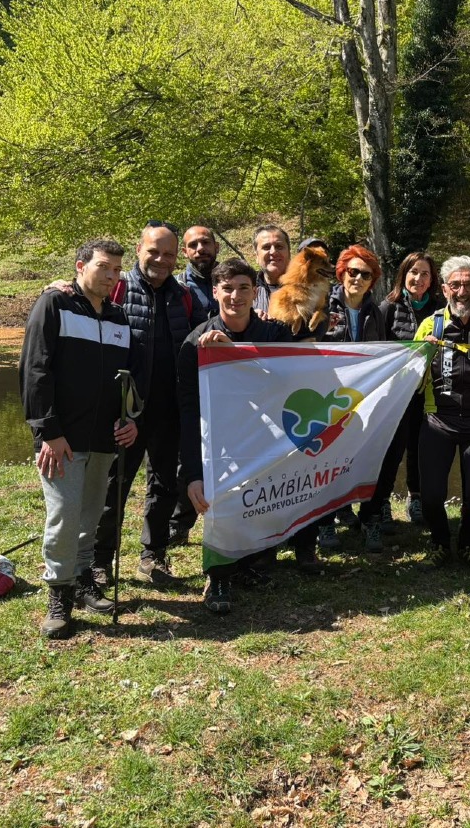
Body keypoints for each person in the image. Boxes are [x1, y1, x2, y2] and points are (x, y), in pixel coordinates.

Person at [20, 239, 139, 639]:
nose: (110, 276)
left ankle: (84, 580)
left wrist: (131, 420)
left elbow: (130, 383)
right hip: (63, 441)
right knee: (65, 515)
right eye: (104, 267)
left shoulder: (121, 318)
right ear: (81, 266)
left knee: (90, 514)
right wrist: (48, 432)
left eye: (117, 270)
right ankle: (59, 593)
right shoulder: (54, 305)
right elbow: (35, 370)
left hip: (105, 439)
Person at [176, 259, 297, 613]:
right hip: (219, 442)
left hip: (265, 440)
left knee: (262, 502)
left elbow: (285, 382)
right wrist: (193, 473)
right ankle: (219, 578)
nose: (235, 296)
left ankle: (248, 566)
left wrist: (235, 355)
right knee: (223, 511)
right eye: (227, 288)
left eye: (244, 287)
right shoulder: (195, 343)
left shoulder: (275, 335)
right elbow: (187, 409)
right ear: (215, 293)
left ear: (255, 292)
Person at [91, 222, 206, 588]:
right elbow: (79, 302)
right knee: (114, 486)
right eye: (153, 251)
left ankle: (153, 555)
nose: (161, 259)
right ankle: (99, 559)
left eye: (169, 254)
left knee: (164, 485)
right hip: (124, 411)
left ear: (177, 258)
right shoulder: (117, 286)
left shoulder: (184, 296)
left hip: (169, 409)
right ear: (139, 249)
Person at [412, 256, 470, 569]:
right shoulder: (429, 325)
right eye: (456, 285)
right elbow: (411, 377)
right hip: (438, 419)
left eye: (469, 284)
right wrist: (425, 353)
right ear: (445, 288)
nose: (463, 291)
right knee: (431, 495)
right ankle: (439, 543)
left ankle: (468, 544)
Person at [364, 251, 444, 534]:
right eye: (413, 272)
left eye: (425, 273)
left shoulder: (440, 309)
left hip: (431, 392)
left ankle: (417, 498)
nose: (418, 279)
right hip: (397, 393)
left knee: (421, 449)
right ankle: (382, 500)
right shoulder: (388, 307)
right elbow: (379, 351)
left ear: (432, 279)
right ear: (403, 275)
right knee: (392, 449)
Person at [317, 243, 385, 551]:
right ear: (342, 272)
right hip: (326, 397)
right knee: (326, 460)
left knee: (360, 460)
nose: (357, 278)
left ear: (373, 280)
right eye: (352, 271)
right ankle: (325, 523)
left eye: (366, 274)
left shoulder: (376, 312)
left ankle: (367, 519)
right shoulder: (322, 305)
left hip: (362, 399)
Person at [180, 225, 220, 318]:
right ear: (185, 252)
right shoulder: (177, 286)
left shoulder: (235, 283)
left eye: (206, 242)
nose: (200, 249)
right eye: (193, 245)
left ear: (217, 247)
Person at [252, 224, 292, 315]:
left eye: (279, 246)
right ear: (257, 256)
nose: (273, 252)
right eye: (266, 247)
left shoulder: (307, 287)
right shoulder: (246, 289)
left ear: (289, 253)